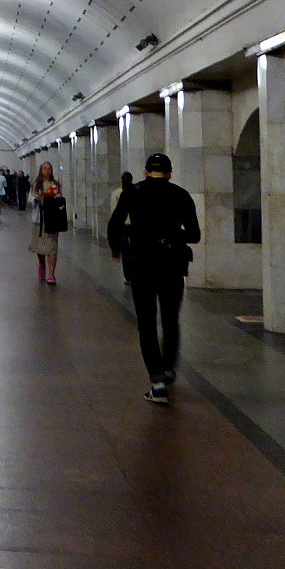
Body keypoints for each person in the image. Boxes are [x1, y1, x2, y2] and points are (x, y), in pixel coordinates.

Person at [107, 152, 199, 405]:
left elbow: (114, 224)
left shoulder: (133, 192)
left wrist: (117, 247)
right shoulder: (181, 195)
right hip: (171, 264)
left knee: (146, 322)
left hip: (142, 265)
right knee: (170, 318)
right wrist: (171, 237)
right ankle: (169, 368)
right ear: (169, 173)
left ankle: (157, 383)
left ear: (146, 171)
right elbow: (194, 234)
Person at [27, 161, 66, 283]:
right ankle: (42, 265)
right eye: (44, 168)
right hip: (39, 220)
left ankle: (52, 274)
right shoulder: (36, 184)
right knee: (40, 247)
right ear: (41, 170)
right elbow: (30, 199)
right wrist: (35, 199)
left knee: (52, 247)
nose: (47, 171)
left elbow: (60, 200)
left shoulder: (55, 185)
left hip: (52, 220)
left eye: (49, 168)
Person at [109, 171, 136, 284]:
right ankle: (130, 276)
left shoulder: (125, 193)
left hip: (129, 225)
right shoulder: (119, 193)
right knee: (127, 250)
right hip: (125, 225)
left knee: (129, 250)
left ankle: (130, 275)